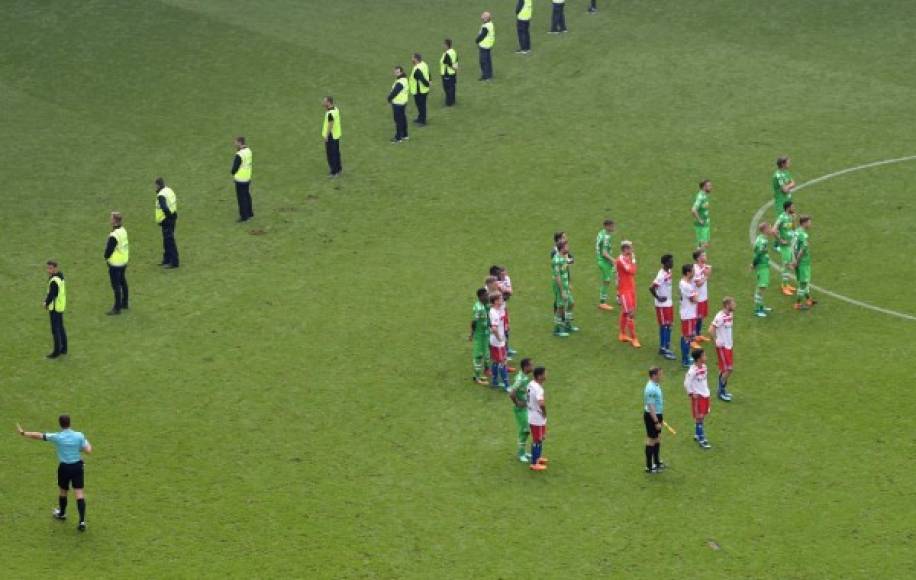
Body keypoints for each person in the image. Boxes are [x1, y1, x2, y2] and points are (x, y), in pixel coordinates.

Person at [17, 415, 93, 531]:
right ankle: (82, 521)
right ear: (70, 423)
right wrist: (79, 447)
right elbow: (88, 451)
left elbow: (39, 435)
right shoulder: (79, 435)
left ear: (60, 424)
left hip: (64, 468)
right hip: (77, 467)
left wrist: (24, 433)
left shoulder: (57, 437)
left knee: (63, 491)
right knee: (79, 493)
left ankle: (62, 514)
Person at [683, 349, 712, 449]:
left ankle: (697, 434)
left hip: (705, 395)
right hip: (698, 397)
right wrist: (691, 393)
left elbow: (704, 380)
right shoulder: (692, 371)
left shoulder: (704, 367)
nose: (706, 356)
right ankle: (701, 438)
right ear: (699, 358)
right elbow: (686, 383)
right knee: (699, 416)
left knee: (702, 416)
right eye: (704, 355)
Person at [649, 254, 676, 360]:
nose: (672, 263)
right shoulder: (661, 275)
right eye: (670, 261)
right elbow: (651, 287)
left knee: (669, 325)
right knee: (664, 326)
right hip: (662, 305)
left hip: (668, 303)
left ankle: (667, 346)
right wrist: (658, 297)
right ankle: (663, 348)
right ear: (665, 263)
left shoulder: (669, 271)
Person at [710, 297, 736, 402]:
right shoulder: (719, 316)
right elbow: (711, 329)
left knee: (723, 369)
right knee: (729, 369)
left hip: (729, 346)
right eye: (733, 304)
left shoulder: (730, 314)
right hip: (723, 347)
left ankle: (722, 390)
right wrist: (716, 341)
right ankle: (720, 392)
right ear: (727, 305)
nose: (735, 305)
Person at [104, 211, 129, 315]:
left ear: (114, 221)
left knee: (116, 285)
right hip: (123, 261)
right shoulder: (123, 230)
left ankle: (117, 308)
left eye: (111, 218)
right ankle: (125, 303)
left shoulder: (114, 235)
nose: (110, 220)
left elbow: (109, 250)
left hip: (115, 264)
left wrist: (106, 257)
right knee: (123, 282)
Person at [616, 241, 640, 348]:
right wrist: (634, 260)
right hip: (625, 291)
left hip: (631, 289)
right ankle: (634, 338)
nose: (632, 250)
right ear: (625, 249)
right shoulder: (621, 260)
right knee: (630, 313)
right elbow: (632, 270)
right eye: (630, 248)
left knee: (626, 313)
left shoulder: (627, 258)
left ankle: (622, 334)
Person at [509, 358, 533, 462]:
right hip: (521, 409)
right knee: (524, 430)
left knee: (527, 431)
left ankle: (523, 452)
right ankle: (521, 454)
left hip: (525, 408)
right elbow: (511, 392)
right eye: (531, 365)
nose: (532, 367)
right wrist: (517, 403)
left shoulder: (524, 377)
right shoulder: (521, 379)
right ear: (525, 367)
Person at [43, 260, 68, 358]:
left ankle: (56, 352)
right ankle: (64, 348)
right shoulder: (60, 276)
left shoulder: (54, 281)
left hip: (55, 307)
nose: (48, 270)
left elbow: (52, 294)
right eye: (48, 268)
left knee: (55, 330)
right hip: (60, 306)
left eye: (51, 268)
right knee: (61, 327)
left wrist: (46, 303)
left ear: (56, 268)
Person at [643, 367, 665, 473]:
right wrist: (656, 421)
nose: (662, 376)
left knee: (657, 438)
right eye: (660, 374)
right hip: (652, 416)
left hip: (657, 414)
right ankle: (649, 466)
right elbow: (650, 406)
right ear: (654, 376)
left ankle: (656, 462)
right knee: (651, 440)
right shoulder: (650, 388)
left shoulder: (655, 384)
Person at [791, 215, 816, 310]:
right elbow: (802, 250)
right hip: (803, 261)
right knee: (803, 283)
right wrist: (797, 261)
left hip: (797, 259)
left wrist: (793, 259)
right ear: (804, 223)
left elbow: (792, 245)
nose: (810, 224)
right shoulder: (803, 235)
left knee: (804, 282)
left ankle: (809, 299)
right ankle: (797, 304)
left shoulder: (796, 231)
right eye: (809, 222)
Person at [527, 367, 549, 471]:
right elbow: (541, 403)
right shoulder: (538, 389)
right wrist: (544, 413)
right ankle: (534, 463)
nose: (546, 375)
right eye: (545, 374)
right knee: (537, 440)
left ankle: (538, 458)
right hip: (537, 418)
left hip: (532, 414)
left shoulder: (531, 383)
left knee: (540, 438)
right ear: (540, 376)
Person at [773, 201, 797, 296]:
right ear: (788, 208)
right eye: (792, 206)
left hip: (790, 244)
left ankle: (787, 285)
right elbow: (774, 230)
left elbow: (793, 229)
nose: (794, 208)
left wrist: (794, 220)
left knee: (788, 263)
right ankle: (784, 286)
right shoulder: (782, 217)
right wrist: (780, 240)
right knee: (786, 264)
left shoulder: (790, 216)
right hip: (784, 245)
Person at [154, 177, 179, 268]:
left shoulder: (161, 195)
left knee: (169, 241)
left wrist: (167, 216)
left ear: (158, 185)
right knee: (167, 240)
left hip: (167, 220)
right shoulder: (169, 190)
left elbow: (164, 207)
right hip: (173, 217)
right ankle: (166, 259)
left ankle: (174, 262)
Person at [552, 240, 575, 336]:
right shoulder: (556, 260)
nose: (568, 247)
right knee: (560, 306)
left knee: (571, 303)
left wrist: (569, 282)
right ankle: (557, 329)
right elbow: (557, 277)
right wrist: (562, 291)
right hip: (559, 286)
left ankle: (567, 324)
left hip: (565, 285)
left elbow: (567, 268)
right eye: (566, 246)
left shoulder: (564, 257)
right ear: (562, 248)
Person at [469, 288, 491, 384]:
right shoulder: (478, 308)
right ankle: (477, 378)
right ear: (481, 296)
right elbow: (474, 322)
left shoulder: (484, 305)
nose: (488, 296)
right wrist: (472, 334)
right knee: (478, 356)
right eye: (486, 295)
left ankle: (480, 374)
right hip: (479, 336)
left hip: (485, 334)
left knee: (486, 354)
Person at [678, 264, 698, 367]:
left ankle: (686, 357)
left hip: (686, 313)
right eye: (692, 271)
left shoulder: (682, 282)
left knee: (687, 337)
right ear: (688, 273)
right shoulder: (687, 286)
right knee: (687, 337)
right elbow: (694, 300)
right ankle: (685, 360)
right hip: (688, 314)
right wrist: (696, 295)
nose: (694, 273)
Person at [489, 293, 510, 389]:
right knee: (503, 362)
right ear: (496, 301)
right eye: (501, 299)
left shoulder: (498, 309)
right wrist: (499, 338)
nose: (502, 300)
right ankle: (507, 385)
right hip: (497, 342)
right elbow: (494, 328)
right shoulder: (494, 313)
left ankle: (494, 382)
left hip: (496, 341)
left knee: (496, 362)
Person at [231, 136, 254, 222]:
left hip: (240, 180)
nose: (234, 144)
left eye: (235, 142)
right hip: (247, 177)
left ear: (240, 143)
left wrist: (233, 172)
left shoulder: (239, 155)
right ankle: (250, 213)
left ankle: (244, 216)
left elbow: (234, 169)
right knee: (247, 195)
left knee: (241, 198)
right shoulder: (249, 151)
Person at [751, 222, 772, 317]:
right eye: (769, 228)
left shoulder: (760, 238)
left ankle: (761, 306)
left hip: (763, 265)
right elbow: (758, 254)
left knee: (762, 287)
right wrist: (753, 264)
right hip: (762, 266)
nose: (771, 229)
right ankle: (757, 310)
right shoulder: (763, 241)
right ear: (765, 229)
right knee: (761, 288)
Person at [595, 218, 616, 311]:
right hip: (604, 261)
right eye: (612, 226)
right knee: (606, 281)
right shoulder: (606, 237)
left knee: (615, 275)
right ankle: (602, 303)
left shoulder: (601, 233)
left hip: (601, 260)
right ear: (607, 226)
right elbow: (604, 253)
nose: (613, 227)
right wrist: (613, 260)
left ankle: (619, 296)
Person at [692, 249, 712, 341]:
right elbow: (698, 284)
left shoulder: (704, 266)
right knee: (696, 317)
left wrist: (707, 272)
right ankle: (693, 336)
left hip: (703, 297)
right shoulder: (695, 269)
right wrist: (706, 276)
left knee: (701, 317)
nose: (706, 256)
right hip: (697, 298)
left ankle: (698, 334)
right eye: (703, 255)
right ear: (698, 258)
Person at [387, 66, 410, 143]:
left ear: (402, 72)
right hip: (403, 102)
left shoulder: (400, 82)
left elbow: (395, 92)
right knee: (403, 118)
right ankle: (405, 135)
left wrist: (389, 98)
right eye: (395, 72)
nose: (396, 74)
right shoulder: (404, 79)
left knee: (398, 120)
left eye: (398, 72)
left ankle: (398, 138)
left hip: (398, 103)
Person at [321, 96, 343, 177]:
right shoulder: (336, 109)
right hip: (336, 135)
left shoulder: (330, 113)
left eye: (324, 101)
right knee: (336, 153)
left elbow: (330, 124)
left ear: (329, 102)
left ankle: (334, 172)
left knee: (331, 154)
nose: (323, 103)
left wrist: (326, 136)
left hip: (331, 135)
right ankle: (339, 169)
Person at [409, 53, 430, 125]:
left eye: (412, 58)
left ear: (416, 59)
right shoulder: (424, 64)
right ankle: (420, 118)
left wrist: (427, 84)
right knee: (421, 105)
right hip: (423, 90)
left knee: (421, 106)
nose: (411, 59)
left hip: (420, 91)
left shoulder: (417, 69)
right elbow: (428, 73)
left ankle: (423, 121)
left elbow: (422, 79)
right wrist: (430, 81)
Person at [691, 179, 712, 249]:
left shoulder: (705, 195)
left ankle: (702, 258)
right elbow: (693, 210)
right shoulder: (700, 197)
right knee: (701, 247)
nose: (711, 187)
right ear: (704, 187)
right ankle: (699, 259)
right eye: (709, 186)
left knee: (705, 245)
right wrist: (700, 220)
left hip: (706, 224)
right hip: (701, 226)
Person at [476, 12, 495, 80]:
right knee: (488, 61)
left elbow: (482, 36)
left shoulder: (486, 26)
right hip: (488, 45)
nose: (482, 17)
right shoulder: (490, 24)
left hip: (484, 45)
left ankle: (486, 76)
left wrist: (477, 40)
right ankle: (489, 75)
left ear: (486, 18)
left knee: (483, 61)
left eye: (483, 16)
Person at [439, 39, 458, 106]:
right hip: (453, 73)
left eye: (444, 44)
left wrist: (452, 68)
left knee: (447, 88)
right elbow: (455, 61)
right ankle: (453, 101)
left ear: (446, 45)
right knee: (452, 87)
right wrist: (455, 69)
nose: (443, 46)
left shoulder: (447, 54)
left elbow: (447, 63)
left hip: (447, 73)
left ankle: (449, 102)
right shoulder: (454, 52)